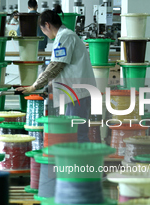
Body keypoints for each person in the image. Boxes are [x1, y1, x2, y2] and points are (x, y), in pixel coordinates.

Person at [16, 5, 97, 143]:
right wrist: (48, 88)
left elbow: (56, 66)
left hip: (78, 94)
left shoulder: (65, 37)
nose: (45, 34)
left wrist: (34, 87)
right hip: (77, 93)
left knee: (76, 135)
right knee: (73, 133)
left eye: (42, 30)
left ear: (47, 25)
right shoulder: (65, 36)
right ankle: (76, 162)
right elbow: (63, 68)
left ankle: (84, 163)